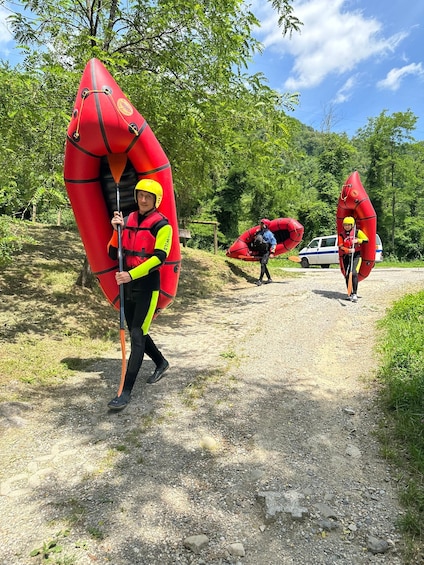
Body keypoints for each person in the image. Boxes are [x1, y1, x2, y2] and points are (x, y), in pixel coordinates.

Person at [106, 179, 173, 411]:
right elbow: (113, 253)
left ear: (156, 200)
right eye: (140, 195)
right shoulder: (127, 220)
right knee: (140, 331)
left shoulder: (163, 226)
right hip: (127, 285)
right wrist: (116, 230)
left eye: (148, 196)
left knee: (136, 336)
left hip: (146, 286)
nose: (143, 200)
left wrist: (131, 275)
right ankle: (161, 362)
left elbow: (159, 258)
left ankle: (125, 392)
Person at [338, 216, 368, 303]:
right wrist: (348, 250)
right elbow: (340, 246)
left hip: (356, 256)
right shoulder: (341, 234)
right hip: (346, 256)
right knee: (347, 275)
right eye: (345, 225)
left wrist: (358, 240)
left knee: (353, 273)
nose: (346, 227)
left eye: (348, 225)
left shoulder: (357, 232)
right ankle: (349, 293)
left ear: (352, 225)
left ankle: (354, 294)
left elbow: (366, 240)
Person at [251, 218, 277, 286]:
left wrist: (272, 253)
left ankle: (260, 280)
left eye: (262, 224)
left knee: (263, 264)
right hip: (260, 251)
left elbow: (274, 243)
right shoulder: (259, 232)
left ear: (266, 225)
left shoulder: (269, 234)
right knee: (263, 265)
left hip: (266, 252)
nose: (260, 225)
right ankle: (269, 279)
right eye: (261, 223)